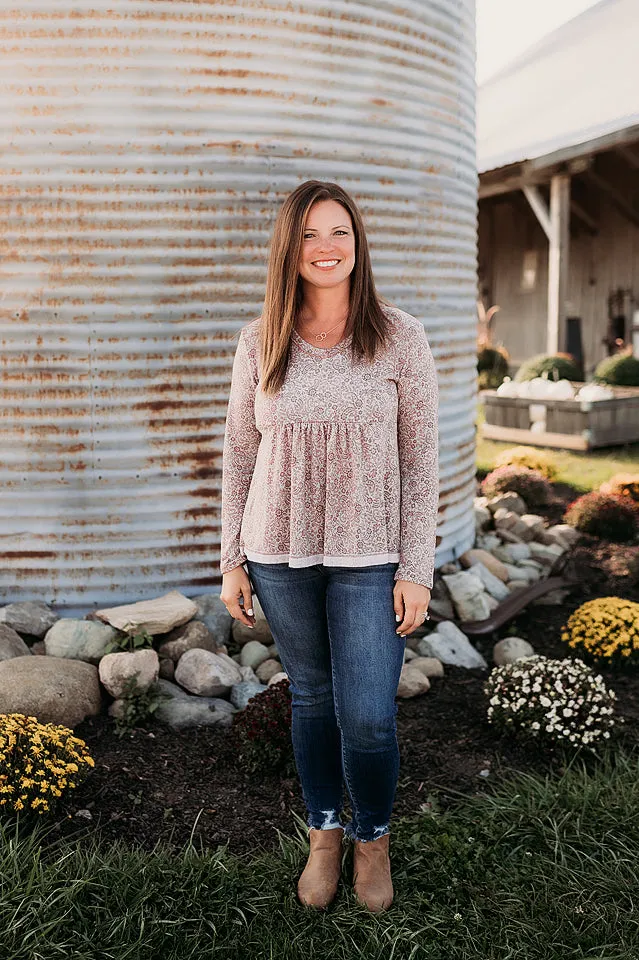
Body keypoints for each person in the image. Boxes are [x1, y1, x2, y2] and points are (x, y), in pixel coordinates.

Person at [219, 180, 439, 913]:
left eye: (339, 232)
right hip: (277, 552)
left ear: (358, 242)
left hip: (369, 556)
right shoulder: (261, 339)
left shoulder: (398, 336)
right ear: (290, 247)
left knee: (370, 713)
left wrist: (415, 567)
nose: (325, 248)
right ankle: (324, 833)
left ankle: (372, 840)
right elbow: (239, 454)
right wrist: (230, 558)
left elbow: (421, 462)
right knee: (310, 698)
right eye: (310, 235)